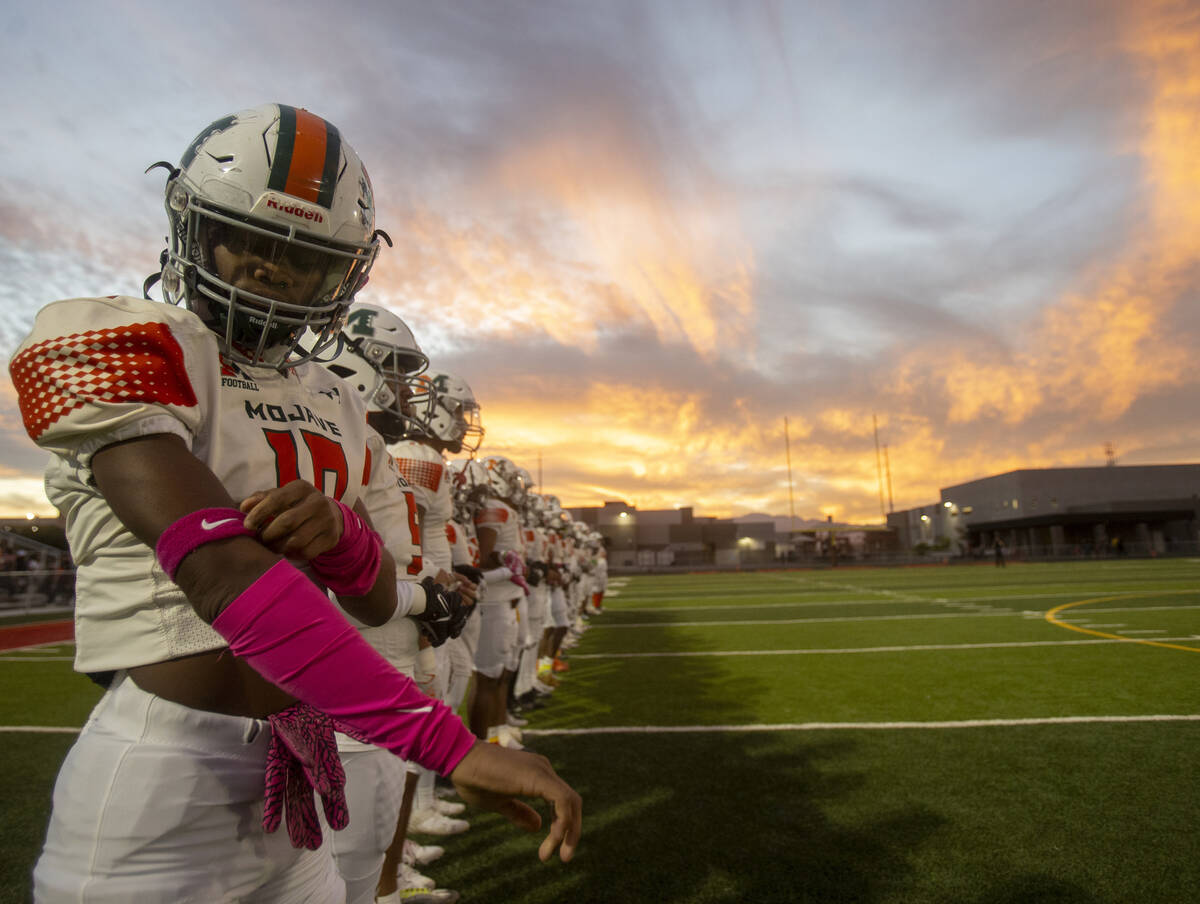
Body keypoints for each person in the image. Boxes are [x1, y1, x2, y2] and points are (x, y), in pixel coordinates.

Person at [10, 103, 579, 903]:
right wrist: (447, 745)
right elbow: (217, 570)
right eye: (251, 240)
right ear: (193, 229)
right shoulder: (125, 337)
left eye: (303, 257)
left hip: (300, 771)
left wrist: (344, 538)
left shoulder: (342, 406)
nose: (275, 269)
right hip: (163, 783)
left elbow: (378, 598)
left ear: (344, 273)